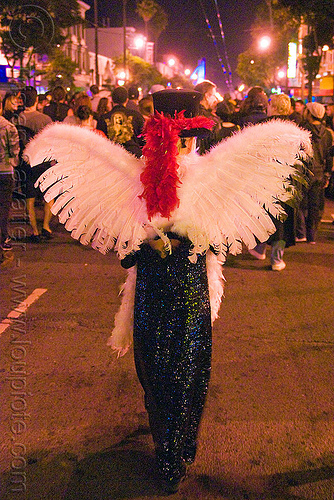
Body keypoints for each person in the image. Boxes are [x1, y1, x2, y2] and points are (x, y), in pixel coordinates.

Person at [25, 90, 311, 494]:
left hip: (191, 295)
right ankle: (168, 445)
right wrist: (147, 244)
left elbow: (214, 241)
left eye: (186, 136)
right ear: (158, 136)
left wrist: (182, 240)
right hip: (151, 296)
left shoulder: (211, 173)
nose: (182, 143)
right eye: (173, 136)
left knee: (190, 373)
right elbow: (125, 250)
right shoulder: (136, 176)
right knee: (153, 372)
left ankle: (176, 452)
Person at [248, 93, 294, 270]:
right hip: (288, 179)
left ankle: (259, 248)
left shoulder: (261, 126)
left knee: (263, 213)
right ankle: (276, 259)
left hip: (264, 177)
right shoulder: (295, 128)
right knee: (283, 219)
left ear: (272, 107)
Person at [18, 86, 53, 241]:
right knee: (48, 195)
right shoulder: (44, 120)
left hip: (26, 162)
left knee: (29, 198)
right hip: (43, 161)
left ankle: (34, 231)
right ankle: (46, 226)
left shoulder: (16, 119)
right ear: (36, 100)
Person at [296, 102, 333, 243]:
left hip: (305, 171)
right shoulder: (327, 133)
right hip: (320, 172)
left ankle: (301, 233)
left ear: (309, 113)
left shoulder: (303, 130)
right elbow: (329, 156)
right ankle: (312, 236)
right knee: (314, 205)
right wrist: (327, 173)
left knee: (301, 203)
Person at [96, 86, 145, 158]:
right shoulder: (136, 116)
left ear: (112, 100)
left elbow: (99, 140)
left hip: (111, 157)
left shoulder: (103, 118)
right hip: (134, 156)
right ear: (127, 100)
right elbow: (143, 138)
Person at [0, 98, 20, 254]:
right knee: (3, 207)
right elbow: (14, 152)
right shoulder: (8, 127)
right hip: (4, 171)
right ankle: (3, 238)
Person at [194, 80, 225, 154]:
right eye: (214, 96)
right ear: (207, 96)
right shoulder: (211, 121)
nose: (216, 100)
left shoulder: (188, 114)